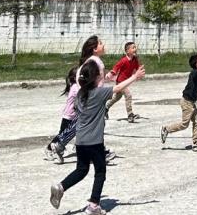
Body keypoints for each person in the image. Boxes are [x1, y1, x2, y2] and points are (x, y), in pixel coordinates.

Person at [49, 60, 145, 214]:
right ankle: (94, 205)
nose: (103, 74)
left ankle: (61, 187)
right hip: (95, 142)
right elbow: (119, 87)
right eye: (101, 73)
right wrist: (135, 77)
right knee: (100, 172)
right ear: (95, 78)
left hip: (80, 141)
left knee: (81, 170)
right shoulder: (99, 94)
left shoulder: (81, 94)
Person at [160, 54, 197, 151]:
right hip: (187, 102)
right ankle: (166, 129)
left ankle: (196, 143)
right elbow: (194, 75)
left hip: (191, 102)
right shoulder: (195, 73)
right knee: (184, 124)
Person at [45, 66, 80, 163]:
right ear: (75, 78)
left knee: (76, 132)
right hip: (69, 116)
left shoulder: (76, 86)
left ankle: (77, 147)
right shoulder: (75, 88)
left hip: (74, 115)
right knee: (62, 135)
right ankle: (49, 149)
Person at [105, 42, 142, 122]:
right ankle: (130, 114)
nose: (135, 49)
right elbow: (116, 67)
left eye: (135, 47)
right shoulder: (124, 60)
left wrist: (139, 73)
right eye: (133, 48)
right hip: (120, 82)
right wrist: (111, 73)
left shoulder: (135, 60)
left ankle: (105, 108)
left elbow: (137, 68)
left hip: (126, 82)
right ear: (127, 51)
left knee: (116, 97)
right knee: (128, 96)